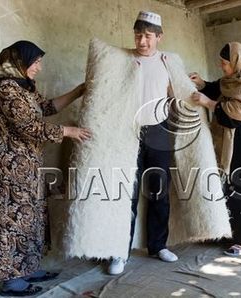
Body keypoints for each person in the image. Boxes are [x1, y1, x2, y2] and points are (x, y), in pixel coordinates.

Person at [0, 40, 91, 296]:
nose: (38, 68)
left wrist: (78, 91)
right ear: (18, 62)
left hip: (27, 165)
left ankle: (27, 269)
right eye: (35, 62)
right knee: (11, 221)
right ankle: (11, 281)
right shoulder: (6, 89)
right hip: (9, 166)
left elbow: (45, 108)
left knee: (30, 219)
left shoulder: (23, 88)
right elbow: (30, 126)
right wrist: (68, 131)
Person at [107, 11, 178, 275]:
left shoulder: (167, 62)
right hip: (128, 131)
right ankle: (119, 251)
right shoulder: (123, 60)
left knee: (159, 191)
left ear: (159, 37)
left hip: (159, 131)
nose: (142, 41)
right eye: (138, 35)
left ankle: (158, 245)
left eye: (148, 36)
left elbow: (176, 95)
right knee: (126, 192)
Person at [189, 42, 241, 256]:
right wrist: (203, 84)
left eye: (225, 63)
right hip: (236, 140)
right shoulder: (233, 80)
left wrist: (209, 104)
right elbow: (220, 88)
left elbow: (236, 112)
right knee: (231, 184)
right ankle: (230, 232)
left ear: (237, 62)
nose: (222, 67)